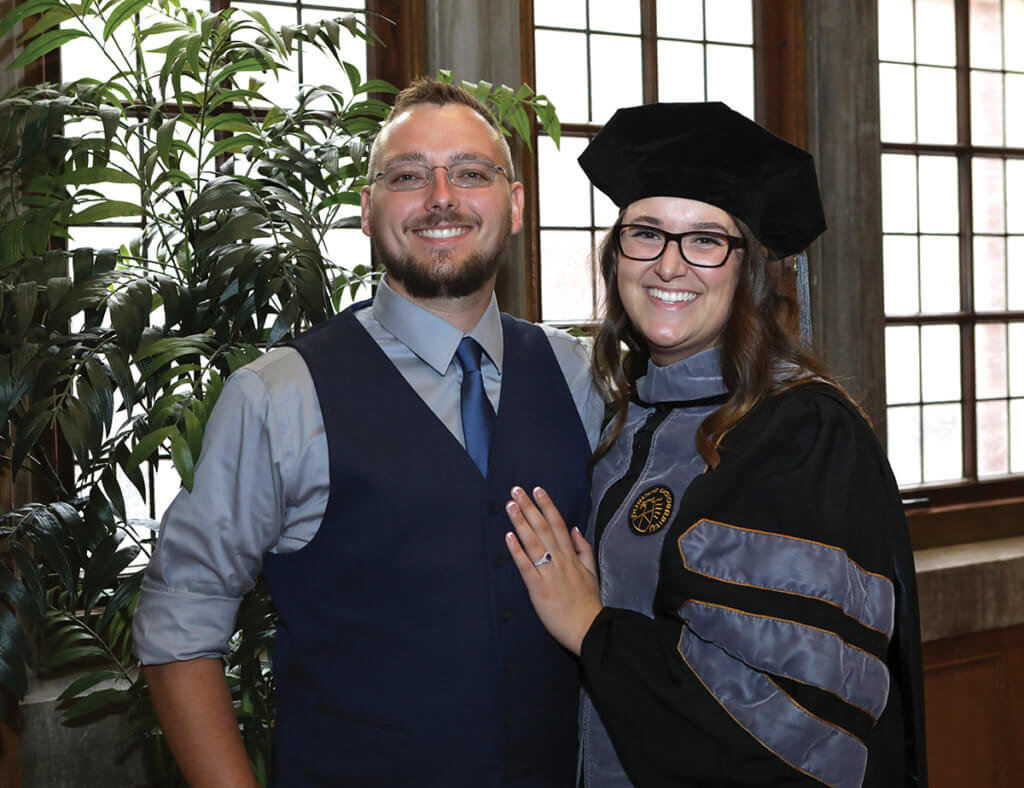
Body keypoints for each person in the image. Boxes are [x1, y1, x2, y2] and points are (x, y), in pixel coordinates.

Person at [133, 78, 603, 787]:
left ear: (514, 206)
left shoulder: (577, 375)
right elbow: (179, 623)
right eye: (408, 176)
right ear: (366, 210)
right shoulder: (278, 395)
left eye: (471, 173)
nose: (441, 195)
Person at [503, 102, 927, 788]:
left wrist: (590, 626)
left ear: (748, 269)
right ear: (617, 258)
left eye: (705, 240)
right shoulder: (627, 416)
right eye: (647, 234)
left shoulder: (799, 435)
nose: (670, 267)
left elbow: (791, 723)